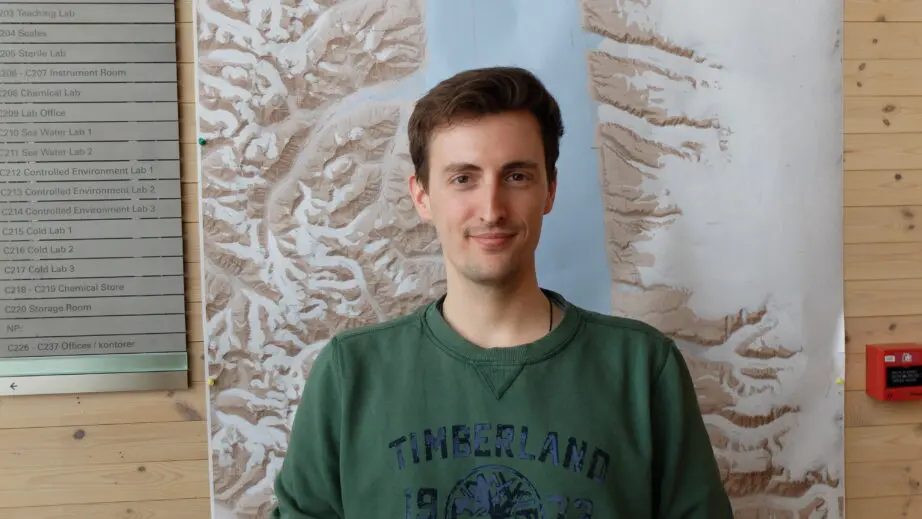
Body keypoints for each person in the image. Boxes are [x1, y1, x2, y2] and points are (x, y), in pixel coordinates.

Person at [270, 66, 734, 518]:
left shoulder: (642, 369)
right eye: (463, 178)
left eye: (516, 176)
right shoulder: (349, 375)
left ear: (549, 190)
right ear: (422, 196)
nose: (491, 209)